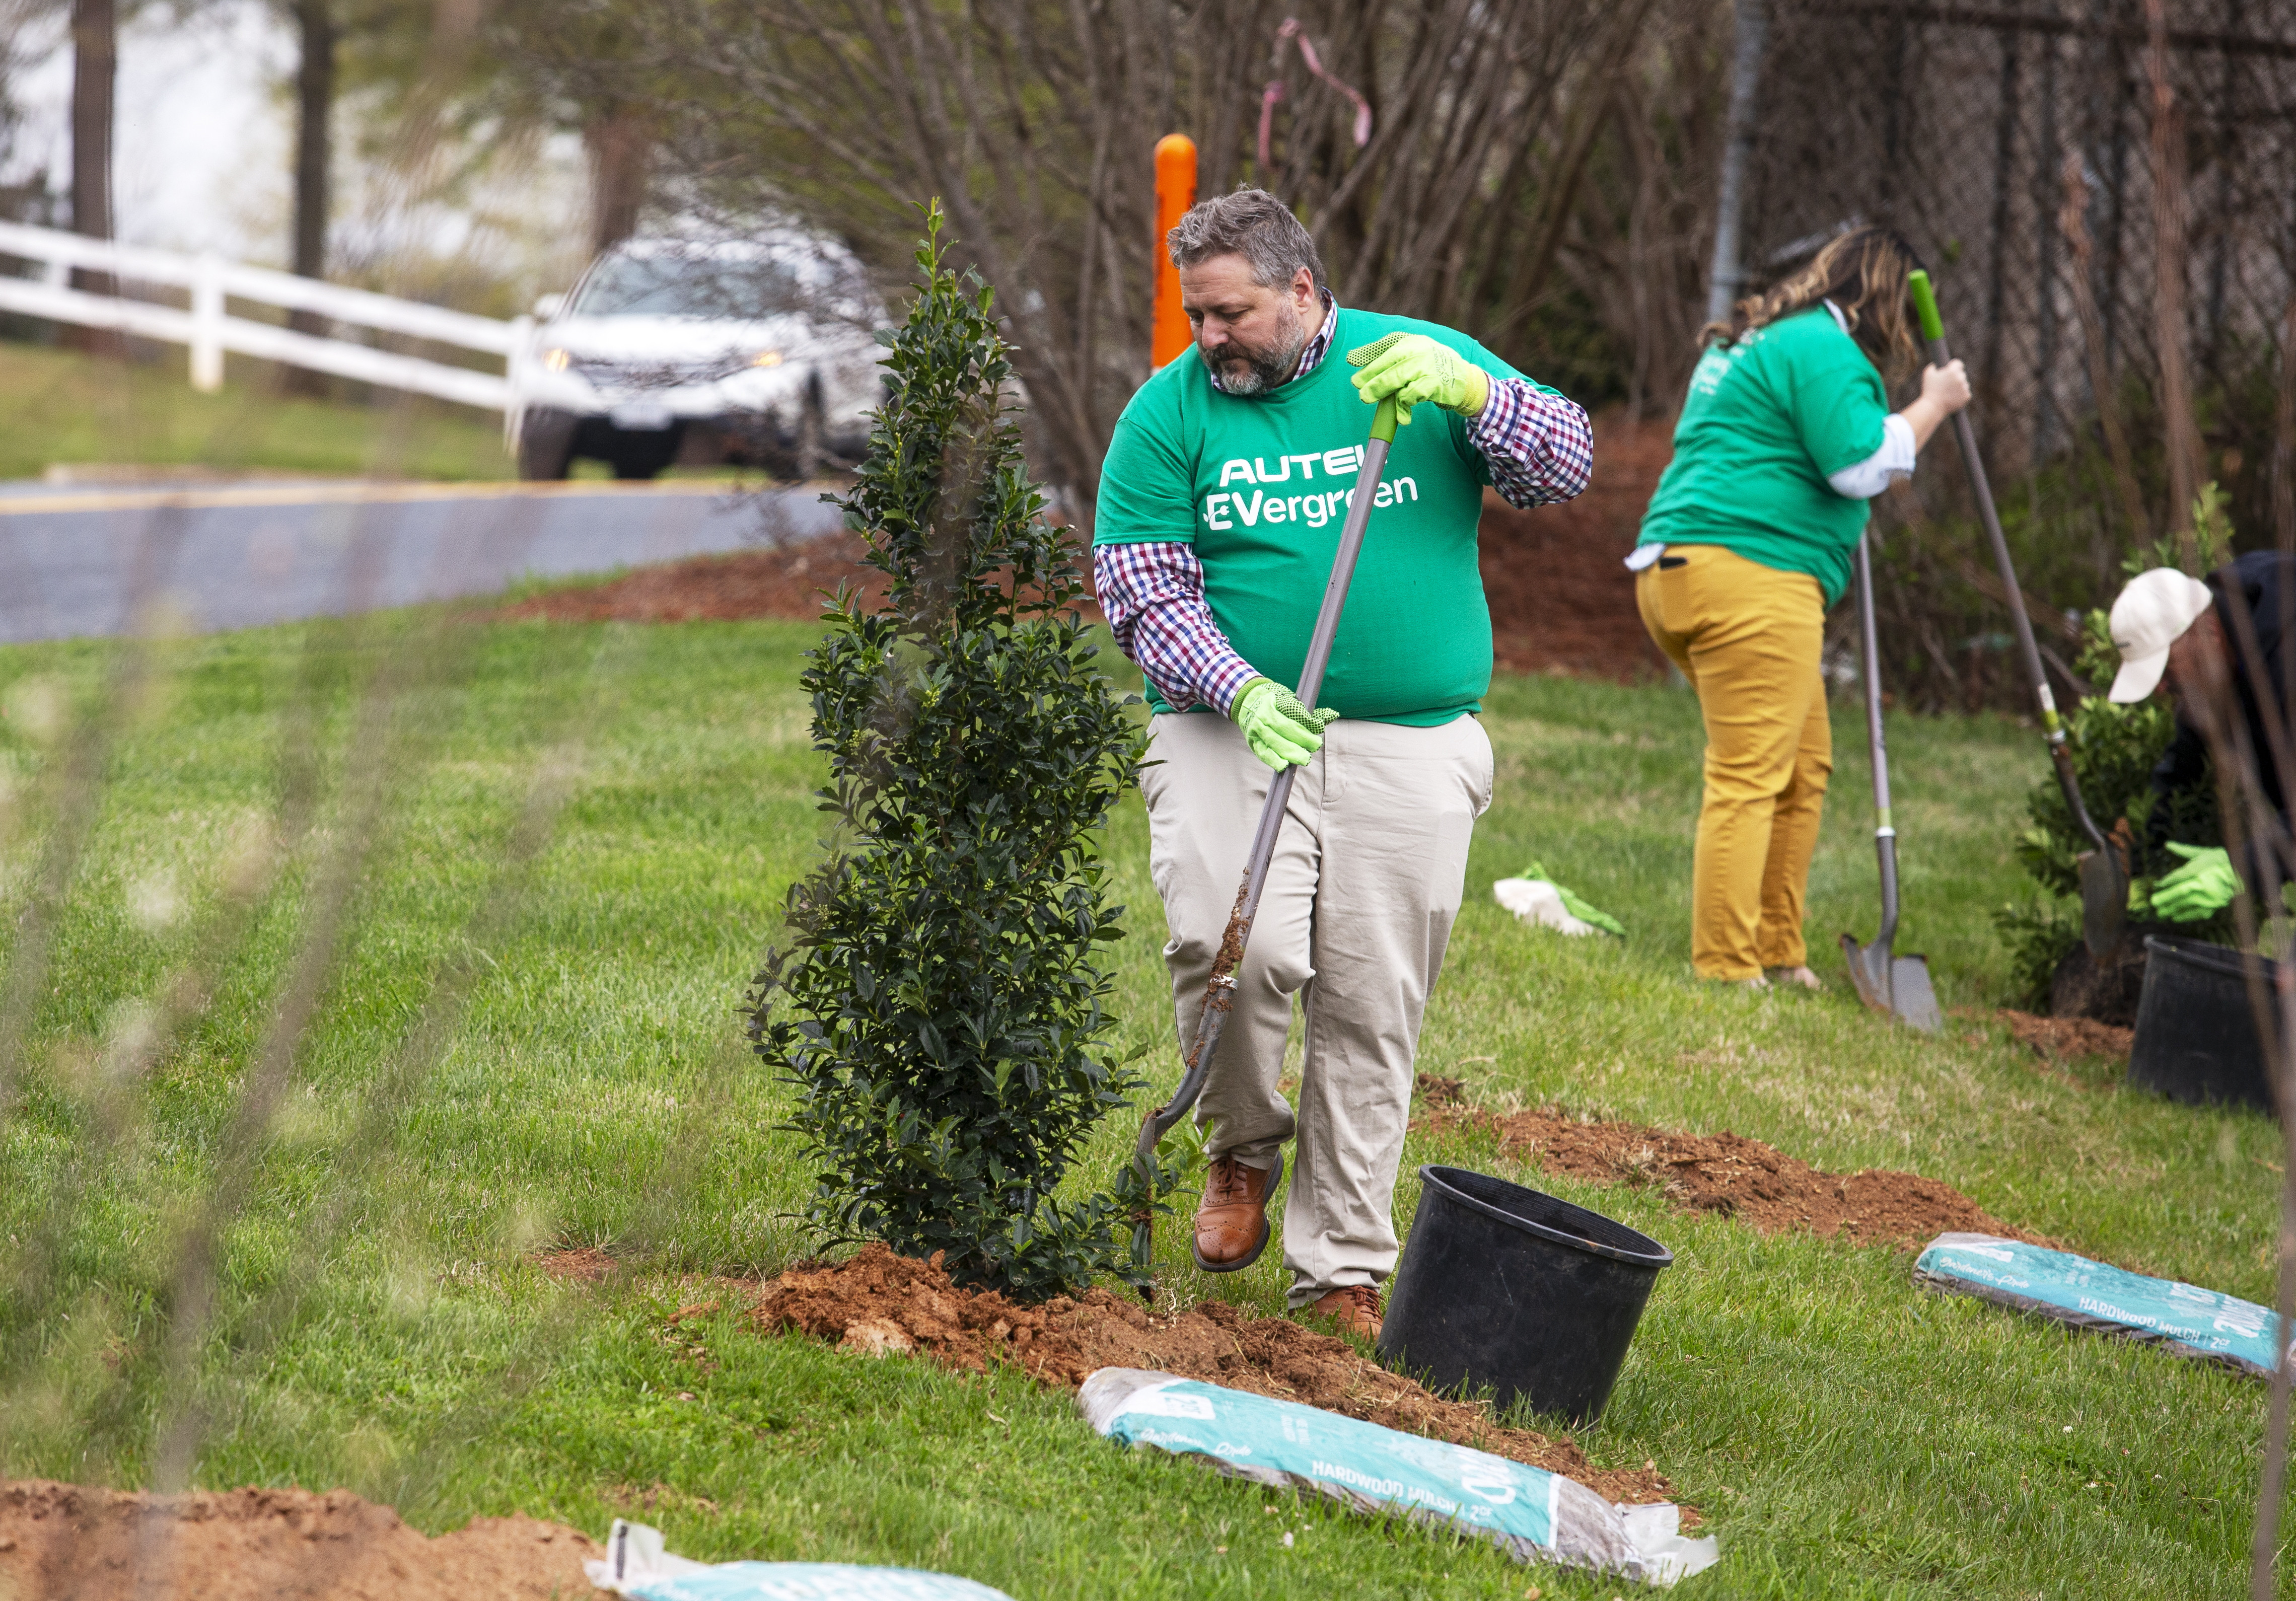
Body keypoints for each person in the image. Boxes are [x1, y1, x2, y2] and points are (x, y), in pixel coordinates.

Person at [1093, 188, 1592, 1338]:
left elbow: (1561, 466)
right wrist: (1239, 688)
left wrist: (1480, 395)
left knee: (1371, 998)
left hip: (1410, 739)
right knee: (1231, 945)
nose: (1209, 336)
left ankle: (1341, 1269)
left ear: (1304, 291)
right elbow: (1139, 584)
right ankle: (1238, 1146)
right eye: (1196, 314)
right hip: (1229, 727)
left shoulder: (1412, 369)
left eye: (1233, 312)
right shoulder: (1167, 416)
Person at [1630, 226, 1972, 987]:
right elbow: (1857, 466)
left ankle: (1780, 952)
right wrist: (1935, 405)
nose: (1908, 341)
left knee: (1803, 766)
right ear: (1885, 297)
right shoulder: (1821, 348)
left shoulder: (1759, 339)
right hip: (1748, 574)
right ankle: (1726, 965)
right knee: (1751, 773)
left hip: (1685, 568)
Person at [2107, 551, 2295, 920]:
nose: (2160, 689)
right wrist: (2142, 859)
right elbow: (2185, 758)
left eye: (2167, 670)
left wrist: (2241, 870)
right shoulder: (2221, 652)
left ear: (2207, 634)